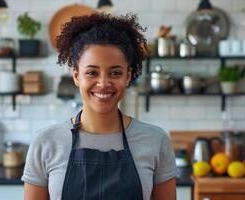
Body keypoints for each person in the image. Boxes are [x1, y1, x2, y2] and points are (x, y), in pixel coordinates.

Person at [22, 13, 176, 200]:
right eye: (92, 72)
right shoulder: (46, 142)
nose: (103, 83)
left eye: (115, 73)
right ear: (77, 76)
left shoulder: (155, 140)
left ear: (128, 76)